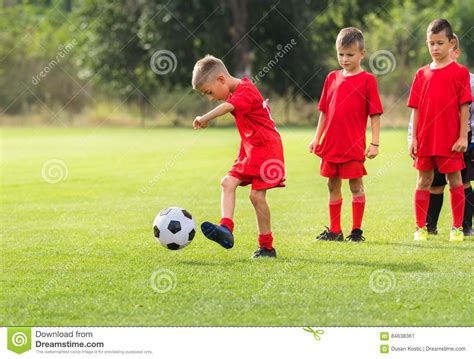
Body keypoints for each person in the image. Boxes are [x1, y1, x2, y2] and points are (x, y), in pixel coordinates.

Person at [191, 55, 285, 258]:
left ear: (222, 79)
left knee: (256, 196)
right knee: (227, 183)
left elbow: (227, 107)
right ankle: (226, 229)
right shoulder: (240, 90)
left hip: (267, 149)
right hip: (251, 149)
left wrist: (203, 118)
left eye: (209, 92)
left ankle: (267, 247)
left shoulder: (244, 90)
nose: (210, 98)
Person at [309, 27, 383, 242]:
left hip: (353, 145)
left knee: (356, 186)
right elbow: (324, 112)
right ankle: (335, 231)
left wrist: (375, 143)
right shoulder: (331, 78)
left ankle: (356, 231)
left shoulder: (368, 80)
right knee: (332, 185)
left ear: (362, 54)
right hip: (331, 145)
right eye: (341, 54)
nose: (344, 59)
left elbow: (375, 114)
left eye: (350, 54)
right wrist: (316, 138)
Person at [408, 19, 472, 242]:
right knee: (423, 181)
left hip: (450, 140)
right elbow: (415, 109)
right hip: (425, 140)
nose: (435, 48)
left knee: (455, 181)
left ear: (451, 43)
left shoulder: (461, 73)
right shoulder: (420, 74)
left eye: (440, 43)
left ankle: (456, 228)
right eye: (430, 43)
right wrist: (413, 138)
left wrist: (463, 136)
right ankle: (420, 228)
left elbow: (465, 107)